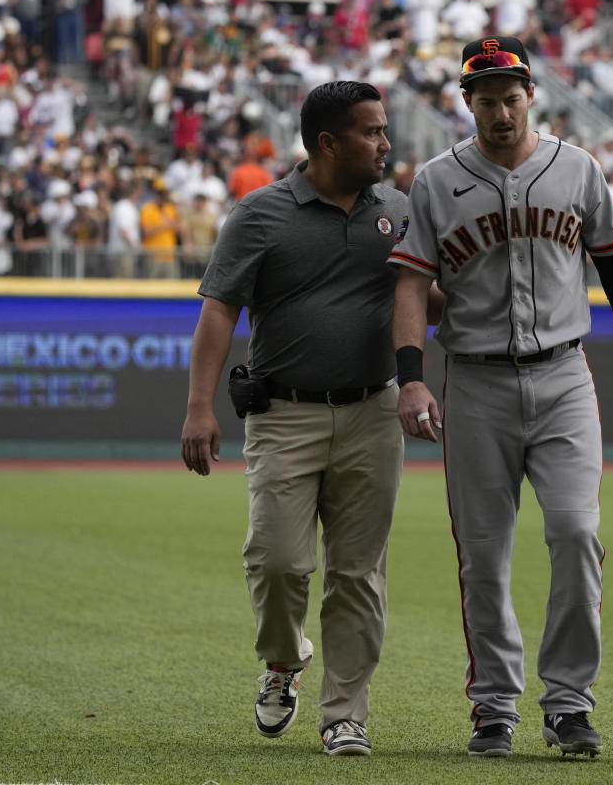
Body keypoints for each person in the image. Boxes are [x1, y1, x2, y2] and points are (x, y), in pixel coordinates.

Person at [388, 35, 613, 759]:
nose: (501, 110)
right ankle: (493, 706)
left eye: (511, 95)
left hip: (562, 378)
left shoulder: (576, 169)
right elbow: (410, 284)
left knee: (578, 534)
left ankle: (570, 704)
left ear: (531, 96)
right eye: (486, 98)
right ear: (467, 103)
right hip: (476, 381)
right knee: (482, 555)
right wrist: (411, 375)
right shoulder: (435, 179)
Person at [181, 81, 426, 758]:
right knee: (279, 561)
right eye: (372, 132)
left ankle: (345, 714)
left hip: (373, 411)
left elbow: (424, 298)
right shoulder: (259, 214)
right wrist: (199, 407)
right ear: (328, 142)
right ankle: (284, 662)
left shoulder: (402, 210)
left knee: (357, 573)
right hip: (283, 413)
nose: (385, 143)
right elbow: (218, 312)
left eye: (383, 130)